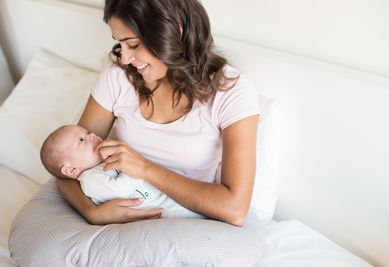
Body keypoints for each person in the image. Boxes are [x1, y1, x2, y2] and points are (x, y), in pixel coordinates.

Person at [56, 0, 259, 226]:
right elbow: (66, 166)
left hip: (185, 220)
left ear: (173, 31)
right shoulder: (118, 77)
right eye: (120, 45)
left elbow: (235, 208)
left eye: (132, 45)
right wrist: (92, 213)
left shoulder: (230, 92)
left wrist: (144, 168)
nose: (125, 59)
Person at [40, 125, 205, 219]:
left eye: (88, 132)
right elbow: (120, 189)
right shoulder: (90, 180)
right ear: (70, 169)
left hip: (167, 197)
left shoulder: (101, 164)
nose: (92, 136)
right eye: (81, 140)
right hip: (163, 210)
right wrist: (134, 165)